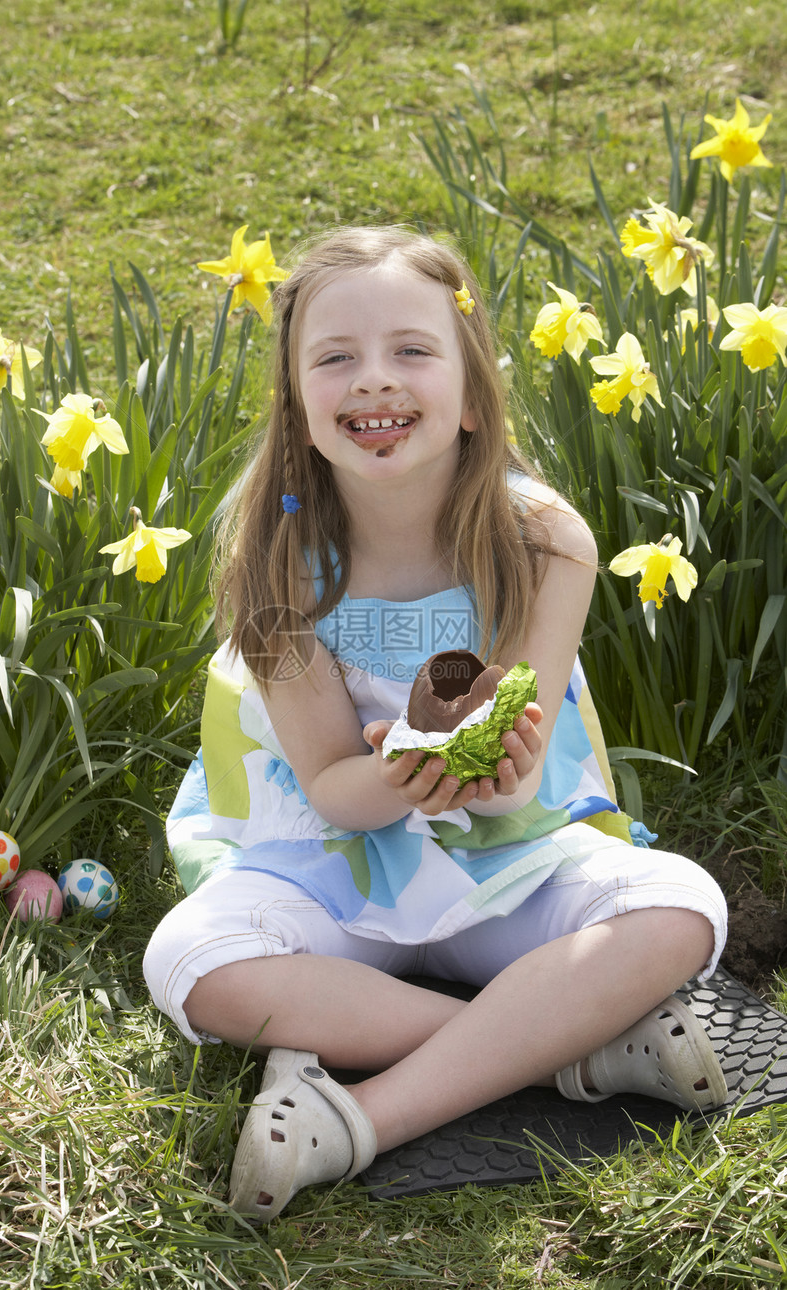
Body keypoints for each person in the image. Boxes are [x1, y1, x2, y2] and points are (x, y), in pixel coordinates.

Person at [143, 226, 728, 1222]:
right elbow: (332, 779)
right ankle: (563, 1049)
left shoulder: (541, 541)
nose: (374, 380)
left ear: (470, 390)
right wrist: (392, 782)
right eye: (334, 358)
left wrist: (494, 771)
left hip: (500, 858)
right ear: (297, 402)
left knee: (679, 907)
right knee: (190, 962)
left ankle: (362, 1117)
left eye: (411, 351)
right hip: (334, 863)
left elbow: (514, 764)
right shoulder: (274, 564)